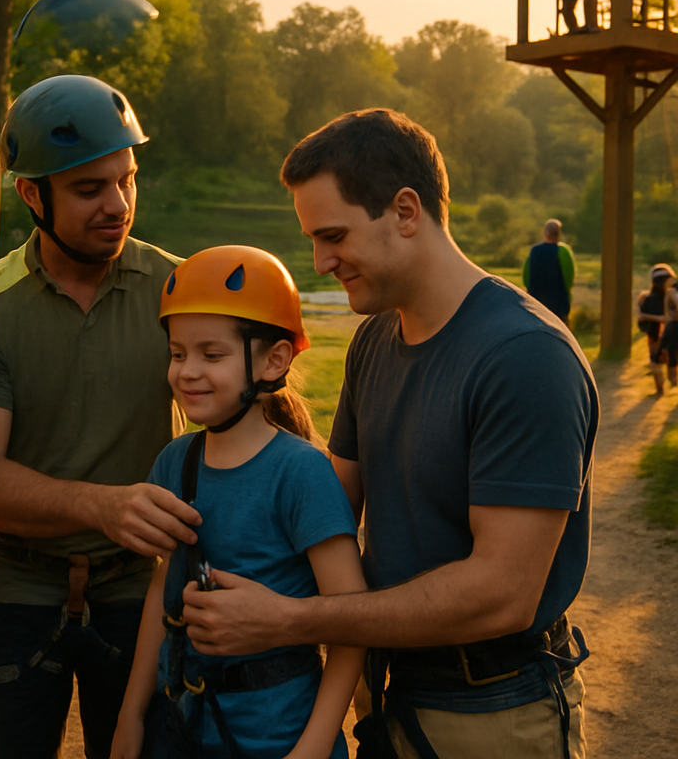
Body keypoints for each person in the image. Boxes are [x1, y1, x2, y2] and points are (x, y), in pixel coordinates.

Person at [182, 109, 598, 759]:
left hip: (493, 712)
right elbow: (330, 506)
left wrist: (290, 620)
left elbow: (502, 596)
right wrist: (185, 513)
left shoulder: (525, 355)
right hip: (384, 697)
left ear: (406, 211)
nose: (320, 262)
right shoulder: (375, 338)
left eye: (333, 236)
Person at [0, 74, 196, 759]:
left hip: (143, 595)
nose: (118, 204)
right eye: (90, 189)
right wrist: (105, 506)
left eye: (127, 180)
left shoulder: (180, 289)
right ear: (32, 194)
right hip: (19, 593)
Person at [111, 245, 366, 759]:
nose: (187, 371)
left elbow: (350, 626)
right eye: (178, 353)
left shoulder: (301, 473)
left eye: (212, 354)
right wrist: (131, 716)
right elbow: (163, 589)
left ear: (274, 360)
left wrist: (312, 750)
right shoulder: (175, 462)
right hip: (186, 732)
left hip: (280, 739)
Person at [523, 218, 576, 325]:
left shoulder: (534, 251)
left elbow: (526, 277)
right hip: (559, 303)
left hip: (536, 303)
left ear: (544, 233)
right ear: (558, 233)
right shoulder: (563, 251)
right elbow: (569, 277)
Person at [636, 263, 676, 394]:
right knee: (660, 364)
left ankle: (662, 389)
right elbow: (641, 316)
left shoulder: (650, 299)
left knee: (660, 364)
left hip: (662, 335)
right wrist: (660, 319)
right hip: (659, 335)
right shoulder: (650, 299)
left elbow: (641, 317)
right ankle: (662, 389)